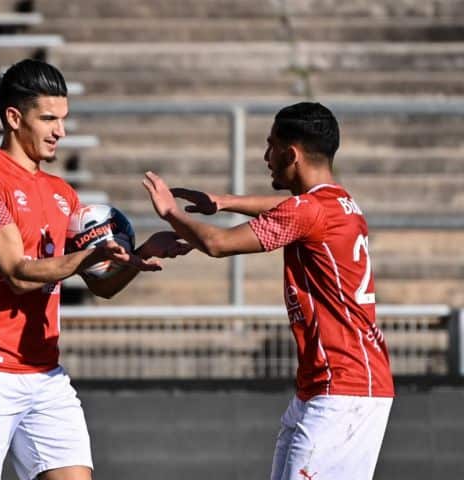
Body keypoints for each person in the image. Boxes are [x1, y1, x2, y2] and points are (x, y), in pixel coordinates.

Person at [0, 58, 190, 480]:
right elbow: (16, 273)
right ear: (14, 118)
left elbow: (101, 286)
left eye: (64, 119)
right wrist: (85, 258)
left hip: (45, 373)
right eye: (48, 118)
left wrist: (138, 256)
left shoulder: (62, 194)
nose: (61, 131)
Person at [142, 102, 394, 480]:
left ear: (291, 154)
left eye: (270, 146)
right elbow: (289, 207)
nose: (265, 157)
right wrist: (225, 202)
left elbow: (219, 244)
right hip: (330, 384)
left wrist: (170, 214)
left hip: (344, 389)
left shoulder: (309, 211)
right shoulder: (340, 202)